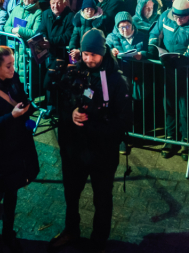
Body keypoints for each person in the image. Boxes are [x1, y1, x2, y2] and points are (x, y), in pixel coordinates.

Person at [49, 29, 129, 253]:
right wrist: (71, 114)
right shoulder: (76, 72)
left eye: (93, 54)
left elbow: (124, 120)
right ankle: (71, 230)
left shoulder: (116, 80)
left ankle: (98, 241)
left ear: (103, 53)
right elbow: (63, 104)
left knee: (101, 198)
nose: (89, 59)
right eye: (85, 54)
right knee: (71, 192)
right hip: (75, 149)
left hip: (102, 152)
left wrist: (95, 127)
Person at [0, 41, 38, 253]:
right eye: (9, 65)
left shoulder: (14, 78)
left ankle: (8, 232)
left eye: (13, 64)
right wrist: (11, 116)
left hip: (17, 147)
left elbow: (23, 100)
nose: (13, 69)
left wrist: (28, 107)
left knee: (12, 192)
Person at [148, 0, 189, 160]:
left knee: (185, 107)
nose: (178, 20)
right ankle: (170, 138)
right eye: (176, 16)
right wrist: (153, 47)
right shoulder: (165, 17)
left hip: (186, 72)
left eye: (183, 17)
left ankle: (187, 139)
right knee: (169, 105)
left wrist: (179, 60)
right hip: (167, 70)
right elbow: (155, 33)